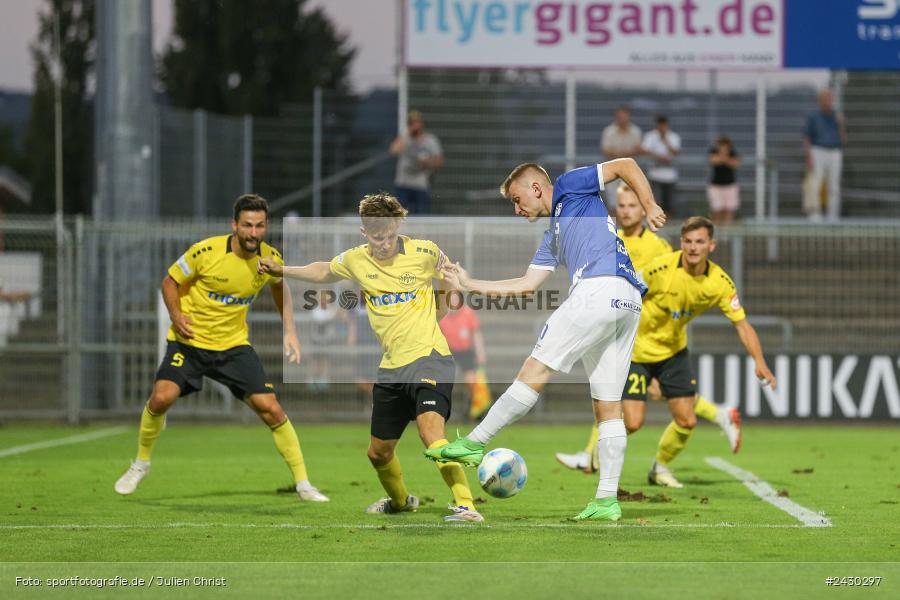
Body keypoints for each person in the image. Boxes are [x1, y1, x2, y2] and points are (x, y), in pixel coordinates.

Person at [425, 158, 666, 522]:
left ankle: (475, 443)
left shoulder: (569, 185)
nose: (516, 209)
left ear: (536, 188)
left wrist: (649, 205)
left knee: (534, 369)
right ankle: (606, 501)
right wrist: (469, 283)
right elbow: (526, 285)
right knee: (608, 407)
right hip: (628, 301)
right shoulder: (553, 235)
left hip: (598, 291)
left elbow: (626, 165)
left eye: (517, 200)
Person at [258, 193, 484, 523]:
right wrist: (282, 269)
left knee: (431, 433)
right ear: (364, 232)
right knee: (378, 453)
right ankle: (401, 502)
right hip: (392, 368)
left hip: (431, 357)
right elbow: (323, 271)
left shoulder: (426, 252)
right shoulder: (356, 259)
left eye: (390, 235)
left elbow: (445, 304)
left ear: (397, 227)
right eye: (378, 237)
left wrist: (451, 286)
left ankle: (466, 506)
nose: (385, 243)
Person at [114, 194, 328, 502]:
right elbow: (169, 282)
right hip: (189, 343)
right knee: (161, 398)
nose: (253, 232)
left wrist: (290, 331)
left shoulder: (270, 258)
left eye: (260, 226)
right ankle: (141, 463)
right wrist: (176, 315)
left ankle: (304, 484)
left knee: (271, 409)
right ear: (234, 225)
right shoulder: (205, 252)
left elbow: (280, 289)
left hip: (233, 347)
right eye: (247, 225)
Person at [554, 185, 742, 474]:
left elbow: (674, 284)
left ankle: (589, 455)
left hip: (651, 337)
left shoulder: (658, 247)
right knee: (617, 394)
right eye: (622, 205)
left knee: (620, 395)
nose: (626, 211)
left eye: (632, 205)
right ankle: (719, 415)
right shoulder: (610, 239)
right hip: (620, 329)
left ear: (643, 210)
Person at [631, 216, 776, 488]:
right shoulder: (660, 268)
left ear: (711, 245)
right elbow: (625, 293)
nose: (693, 247)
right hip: (636, 347)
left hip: (673, 350)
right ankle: (595, 463)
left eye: (699, 242)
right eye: (688, 241)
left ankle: (659, 468)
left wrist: (760, 362)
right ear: (681, 243)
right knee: (632, 421)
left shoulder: (719, 282)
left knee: (686, 420)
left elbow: (742, 325)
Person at [439, 298, 491, 420]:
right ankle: (440, 409)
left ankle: (475, 410)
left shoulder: (467, 313)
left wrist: (480, 352)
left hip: (465, 351)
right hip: (448, 351)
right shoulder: (442, 314)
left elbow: (476, 334)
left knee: (471, 381)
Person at [389, 111, 444, 215]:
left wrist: (428, 162)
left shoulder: (430, 140)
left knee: (422, 215)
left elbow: (440, 162)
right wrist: (407, 133)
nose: (414, 125)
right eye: (411, 123)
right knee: (398, 216)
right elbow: (393, 151)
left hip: (420, 185)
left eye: (416, 122)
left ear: (422, 124)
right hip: (403, 184)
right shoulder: (405, 139)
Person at [803, 89, 846, 221]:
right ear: (819, 101)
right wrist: (808, 156)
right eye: (824, 99)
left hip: (835, 152)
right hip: (818, 151)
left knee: (834, 185)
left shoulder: (836, 116)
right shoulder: (813, 116)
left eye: (829, 99)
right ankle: (815, 214)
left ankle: (833, 215)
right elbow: (806, 137)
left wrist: (841, 124)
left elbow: (843, 139)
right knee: (815, 183)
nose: (827, 102)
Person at [641, 115, 681, 215]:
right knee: (656, 203)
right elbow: (644, 150)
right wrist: (659, 157)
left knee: (669, 204)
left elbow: (676, 152)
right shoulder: (650, 136)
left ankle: (668, 222)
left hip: (670, 176)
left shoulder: (673, 136)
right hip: (655, 175)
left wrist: (666, 141)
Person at [707, 136, 742, 226]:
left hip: (730, 185)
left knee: (729, 210)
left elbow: (736, 164)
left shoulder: (733, 152)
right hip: (716, 185)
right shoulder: (713, 151)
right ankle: (716, 231)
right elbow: (713, 161)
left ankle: (727, 232)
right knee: (717, 210)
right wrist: (725, 158)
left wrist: (723, 158)